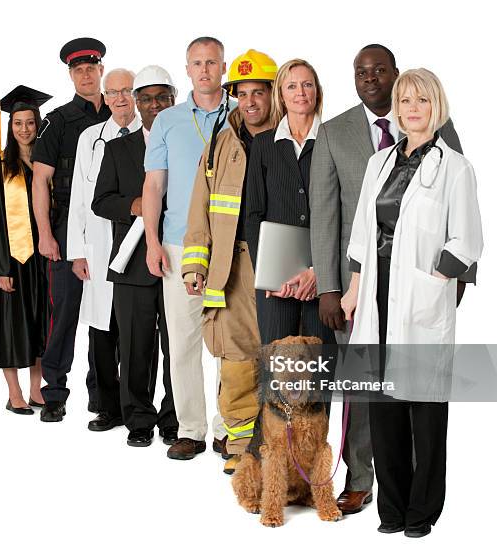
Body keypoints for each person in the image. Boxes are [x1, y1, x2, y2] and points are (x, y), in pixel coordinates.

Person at [309, 43, 470, 515]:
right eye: (362, 71)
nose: (371, 78)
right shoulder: (338, 132)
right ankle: (366, 483)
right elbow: (334, 219)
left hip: (421, 293)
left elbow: (464, 230)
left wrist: (445, 282)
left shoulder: (448, 146)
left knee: (419, 401)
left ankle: (421, 505)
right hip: (368, 291)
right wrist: (335, 289)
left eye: (381, 71)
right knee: (368, 395)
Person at [340, 68, 483, 537]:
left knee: (424, 412)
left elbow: (467, 240)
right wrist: (355, 291)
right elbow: (363, 234)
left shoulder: (454, 167)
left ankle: (422, 513)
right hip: (378, 301)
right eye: (404, 101)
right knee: (383, 410)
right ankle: (392, 510)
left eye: (421, 100)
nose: (411, 108)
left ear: (435, 106)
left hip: (420, 302)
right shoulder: (378, 163)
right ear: (396, 110)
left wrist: (435, 276)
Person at [181, 49, 277, 474]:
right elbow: (199, 207)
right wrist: (194, 264)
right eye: (243, 93)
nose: (251, 101)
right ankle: (240, 442)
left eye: (260, 92)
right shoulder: (222, 144)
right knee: (236, 356)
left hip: (281, 263)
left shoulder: (295, 136)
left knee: (282, 355)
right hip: (232, 265)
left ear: (273, 93)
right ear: (233, 94)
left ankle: (279, 443)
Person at [143, 36, 236, 460]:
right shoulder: (168, 121)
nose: (204, 70)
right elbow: (154, 185)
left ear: (223, 66)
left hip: (232, 247)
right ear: (187, 70)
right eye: (196, 63)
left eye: (211, 62)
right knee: (182, 342)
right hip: (180, 244)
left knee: (230, 342)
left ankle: (228, 426)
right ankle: (191, 429)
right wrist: (152, 242)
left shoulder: (242, 114)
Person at [92, 65, 178, 447]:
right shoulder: (117, 149)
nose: (155, 105)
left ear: (174, 101)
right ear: (137, 104)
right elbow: (100, 201)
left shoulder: (188, 143)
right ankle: (139, 419)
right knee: (135, 345)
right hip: (132, 262)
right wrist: (137, 205)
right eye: (146, 99)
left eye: (162, 98)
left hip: (178, 259)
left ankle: (175, 419)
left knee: (177, 344)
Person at [31, 38, 111, 423]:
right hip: (65, 228)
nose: (85, 74)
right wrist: (46, 234)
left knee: (103, 313)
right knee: (63, 313)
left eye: (91, 68)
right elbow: (40, 181)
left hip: (111, 230)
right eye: (78, 69)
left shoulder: (118, 112)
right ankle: (54, 393)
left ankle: (101, 394)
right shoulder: (58, 121)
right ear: (70, 74)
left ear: (100, 70)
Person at [68, 68, 140, 431]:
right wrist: (78, 251)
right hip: (98, 246)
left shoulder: (150, 134)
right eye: (112, 92)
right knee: (102, 330)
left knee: (137, 334)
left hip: (138, 246)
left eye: (127, 91)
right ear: (105, 97)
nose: (120, 99)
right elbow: (79, 199)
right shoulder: (90, 138)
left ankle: (137, 410)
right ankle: (108, 407)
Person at [245, 59, 334, 348]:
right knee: (277, 372)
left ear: (317, 92)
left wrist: (319, 271)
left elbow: (346, 213)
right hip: (276, 283)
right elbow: (254, 214)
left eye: (307, 84)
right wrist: (271, 274)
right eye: (292, 86)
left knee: (319, 372)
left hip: (323, 279)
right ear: (280, 94)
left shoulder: (334, 140)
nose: (301, 92)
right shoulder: (263, 144)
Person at [0, 86, 51, 415]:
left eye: (30, 123)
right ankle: (14, 392)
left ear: (38, 124)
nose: (24, 129)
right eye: (18, 123)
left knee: (41, 322)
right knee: (11, 324)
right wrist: (0, 266)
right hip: (14, 257)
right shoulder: (0, 166)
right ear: (10, 126)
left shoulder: (46, 162)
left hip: (44, 255)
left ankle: (37, 388)